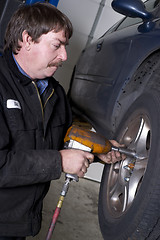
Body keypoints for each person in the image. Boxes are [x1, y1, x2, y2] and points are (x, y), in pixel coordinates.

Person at [0, 2, 122, 240]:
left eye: (65, 46)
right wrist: (58, 161)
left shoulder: (53, 92)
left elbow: (62, 142)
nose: (65, 56)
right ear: (26, 39)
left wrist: (99, 153)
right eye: (57, 45)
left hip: (20, 223)